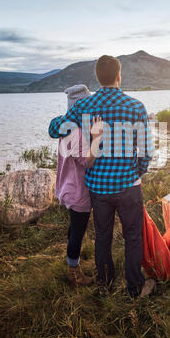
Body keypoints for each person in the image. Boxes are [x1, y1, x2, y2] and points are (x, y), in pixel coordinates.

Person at [49, 56, 155, 298]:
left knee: (103, 237)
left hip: (98, 189)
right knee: (132, 237)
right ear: (119, 76)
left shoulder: (84, 107)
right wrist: (136, 172)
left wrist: (64, 118)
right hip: (129, 186)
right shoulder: (136, 106)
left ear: (97, 78)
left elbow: (54, 129)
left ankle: (104, 285)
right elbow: (147, 150)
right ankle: (135, 289)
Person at [55, 84, 103, 286]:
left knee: (74, 228)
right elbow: (87, 161)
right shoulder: (75, 133)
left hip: (67, 187)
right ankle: (74, 273)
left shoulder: (66, 128)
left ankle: (71, 262)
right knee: (77, 231)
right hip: (78, 191)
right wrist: (97, 137)